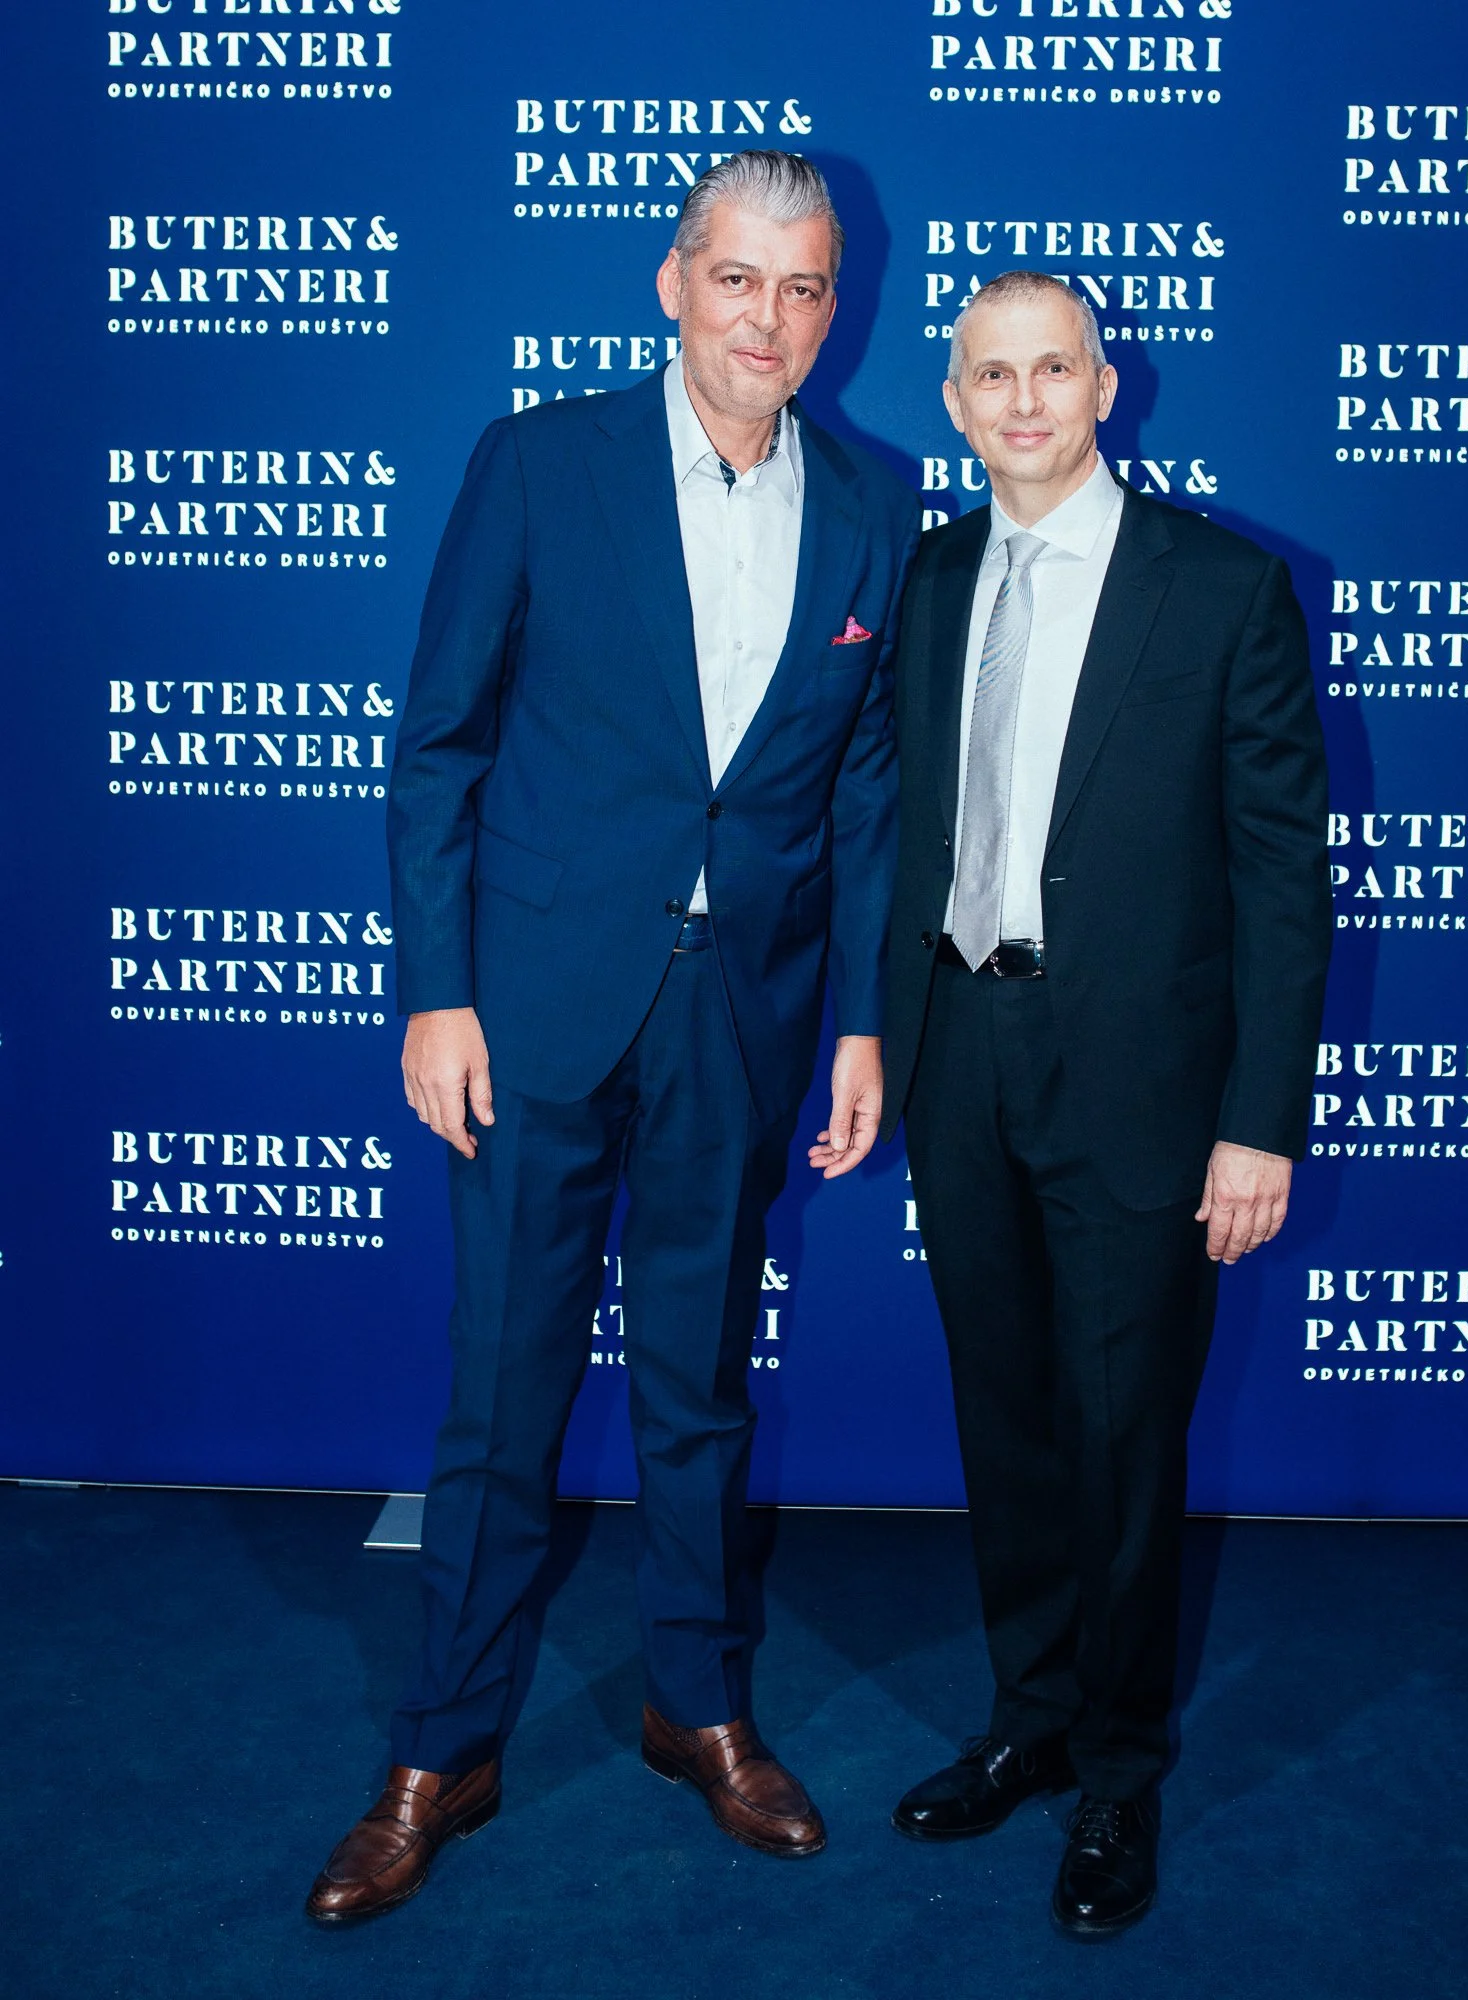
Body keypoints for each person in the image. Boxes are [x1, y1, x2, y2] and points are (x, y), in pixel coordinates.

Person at [305, 151, 919, 1924]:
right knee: (500, 1395)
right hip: (537, 1012)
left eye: (805, 290)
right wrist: (436, 988)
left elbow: (865, 801)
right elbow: (441, 747)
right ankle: (443, 1747)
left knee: (700, 1392)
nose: (771, 321)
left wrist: (865, 1023)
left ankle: (696, 1708)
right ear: (673, 283)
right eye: (739, 281)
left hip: (742, 1024)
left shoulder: (872, 510)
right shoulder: (535, 463)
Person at [880, 270, 1330, 1940]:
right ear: (954, 398)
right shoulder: (932, 579)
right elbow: (907, 838)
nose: (1020, 402)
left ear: (1104, 383)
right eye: (989, 375)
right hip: (963, 1059)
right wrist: (884, 1044)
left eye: (1049, 369)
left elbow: (1286, 881)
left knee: (1123, 1434)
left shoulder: (1222, 589)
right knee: (1005, 1420)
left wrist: (1260, 1117)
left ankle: (1121, 1777)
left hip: (1144, 1085)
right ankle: (1034, 1719)